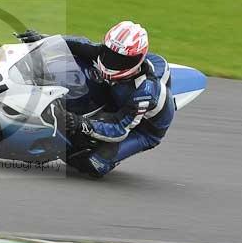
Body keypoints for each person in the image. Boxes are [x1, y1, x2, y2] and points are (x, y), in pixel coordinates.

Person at [15, 21, 174, 178]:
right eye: (109, 53)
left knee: (93, 164)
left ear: (137, 60)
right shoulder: (105, 53)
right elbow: (80, 44)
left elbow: (119, 129)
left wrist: (79, 122)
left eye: (120, 59)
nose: (112, 61)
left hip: (142, 129)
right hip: (117, 100)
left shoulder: (143, 92)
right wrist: (43, 41)